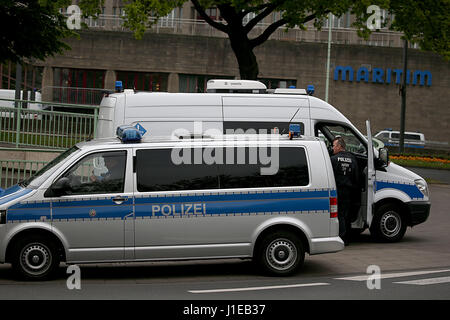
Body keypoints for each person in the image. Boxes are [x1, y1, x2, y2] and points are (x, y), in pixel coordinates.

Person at [330, 136, 359, 245]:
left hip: (337, 191)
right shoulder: (353, 159)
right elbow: (356, 177)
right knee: (347, 214)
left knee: (339, 215)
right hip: (349, 191)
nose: (333, 148)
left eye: (334, 146)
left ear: (339, 146)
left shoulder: (333, 159)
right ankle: (348, 236)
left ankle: (342, 238)